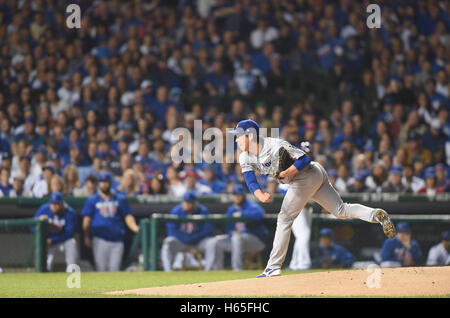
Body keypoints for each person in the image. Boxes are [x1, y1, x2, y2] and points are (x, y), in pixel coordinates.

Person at [228, 119, 396, 277]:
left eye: (238, 136)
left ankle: (273, 267)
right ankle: (377, 215)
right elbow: (250, 180)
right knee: (341, 210)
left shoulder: (275, 145)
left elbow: (305, 159)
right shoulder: (244, 155)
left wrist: (286, 172)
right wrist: (261, 195)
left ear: (250, 136)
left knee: (284, 218)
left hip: (307, 174)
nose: (236, 140)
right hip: (308, 178)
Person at [81, 172, 139, 272]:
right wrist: (87, 237)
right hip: (100, 239)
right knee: (101, 269)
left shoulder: (120, 198)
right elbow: (86, 220)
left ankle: (116, 288)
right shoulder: (93, 199)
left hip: (117, 239)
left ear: (110, 183)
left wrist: (134, 227)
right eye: (102, 182)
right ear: (99, 183)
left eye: (106, 182)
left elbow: (127, 216)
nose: (104, 184)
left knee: (114, 269)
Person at [161, 191, 219, 271]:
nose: (188, 204)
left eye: (190, 202)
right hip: (181, 242)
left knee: (212, 242)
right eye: (186, 202)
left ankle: (208, 270)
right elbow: (171, 231)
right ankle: (168, 271)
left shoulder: (203, 211)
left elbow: (208, 230)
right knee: (168, 242)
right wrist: (186, 238)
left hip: (198, 242)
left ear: (195, 203)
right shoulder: (176, 211)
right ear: (182, 202)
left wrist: (192, 238)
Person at [215, 184, 268, 271]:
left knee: (237, 238)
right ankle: (217, 270)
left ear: (243, 195)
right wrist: (231, 232)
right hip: (237, 240)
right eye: (235, 195)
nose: (237, 197)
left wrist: (243, 214)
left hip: (256, 240)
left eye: (239, 195)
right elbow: (228, 228)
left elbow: (260, 214)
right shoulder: (231, 209)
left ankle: (237, 269)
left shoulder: (251, 205)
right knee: (216, 242)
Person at [33, 192, 78, 272]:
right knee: (47, 263)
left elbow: (69, 233)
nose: (54, 206)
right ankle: (45, 274)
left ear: (62, 203)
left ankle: (72, 270)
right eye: (52, 203)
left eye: (57, 204)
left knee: (72, 242)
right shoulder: (44, 209)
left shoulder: (70, 212)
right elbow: (32, 226)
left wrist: (53, 240)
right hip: (47, 240)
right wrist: (39, 223)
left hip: (62, 240)